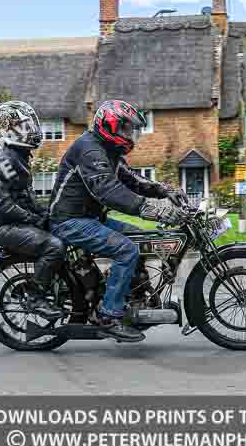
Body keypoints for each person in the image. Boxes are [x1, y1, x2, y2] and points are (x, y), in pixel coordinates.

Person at [49, 100, 188, 342]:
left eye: (131, 130)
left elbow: (132, 179)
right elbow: (109, 191)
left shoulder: (108, 152)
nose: (130, 135)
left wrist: (165, 191)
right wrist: (153, 210)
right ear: (109, 126)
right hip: (70, 221)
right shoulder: (90, 150)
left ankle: (129, 295)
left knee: (141, 238)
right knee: (126, 250)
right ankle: (109, 316)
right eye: (126, 129)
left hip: (90, 218)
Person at [0, 101, 66, 321]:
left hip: (13, 221)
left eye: (30, 126)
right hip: (0, 226)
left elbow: (27, 197)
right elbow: (2, 203)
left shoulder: (18, 156)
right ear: (7, 130)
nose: (31, 131)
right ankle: (35, 297)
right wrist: (34, 219)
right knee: (53, 246)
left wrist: (49, 213)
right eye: (24, 127)